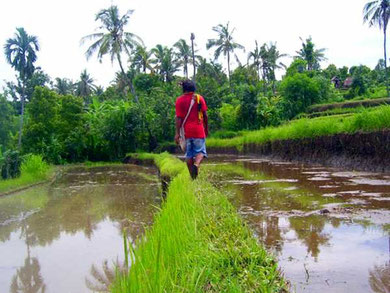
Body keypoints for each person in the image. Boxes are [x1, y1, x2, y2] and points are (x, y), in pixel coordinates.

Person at [174, 80, 208, 179]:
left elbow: (178, 118)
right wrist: (206, 128)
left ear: (183, 89)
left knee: (189, 154)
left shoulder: (179, 100)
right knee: (201, 152)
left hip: (186, 132)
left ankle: (192, 178)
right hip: (199, 130)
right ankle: (197, 165)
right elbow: (205, 115)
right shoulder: (199, 98)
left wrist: (177, 133)